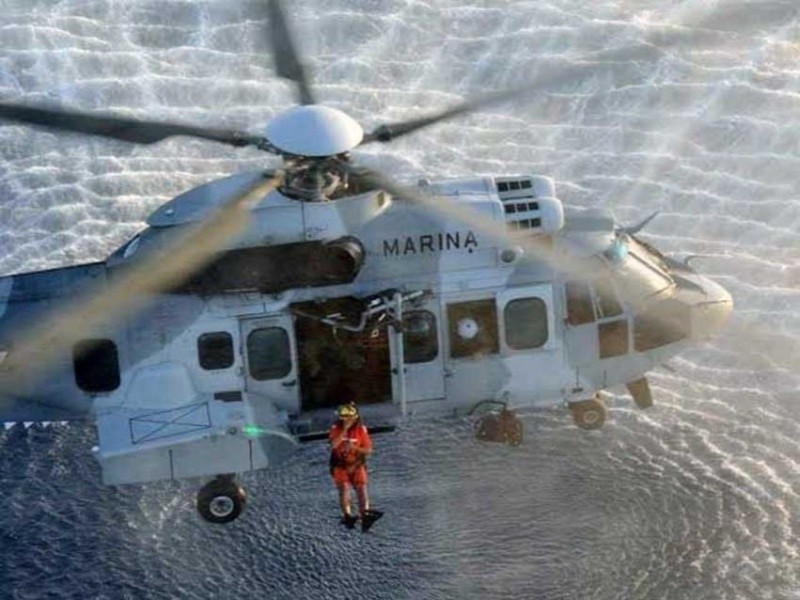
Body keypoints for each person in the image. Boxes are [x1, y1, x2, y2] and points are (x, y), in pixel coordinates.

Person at [329, 402, 379, 530]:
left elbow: (368, 450)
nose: (347, 420)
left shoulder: (360, 430)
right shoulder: (336, 428)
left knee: (361, 489)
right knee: (344, 489)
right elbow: (334, 445)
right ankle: (347, 515)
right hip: (340, 465)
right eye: (344, 417)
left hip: (357, 464)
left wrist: (354, 447)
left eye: (349, 418)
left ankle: (365, 515)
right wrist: (344, 430)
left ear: (355, 417)